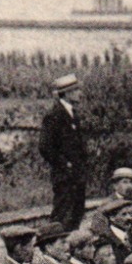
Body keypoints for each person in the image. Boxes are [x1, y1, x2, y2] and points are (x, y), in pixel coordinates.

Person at [38, 74, 86, 230]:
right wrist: (66, 164)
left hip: (77, 177)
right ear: (68, 93)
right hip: (64, 178)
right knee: (61, 219)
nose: (80, 93)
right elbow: (45, 147)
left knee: (75, 217)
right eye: (77, 90)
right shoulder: (54, 115)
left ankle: (69, 252)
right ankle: (52, 249)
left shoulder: (73, 114)